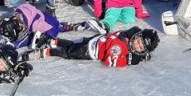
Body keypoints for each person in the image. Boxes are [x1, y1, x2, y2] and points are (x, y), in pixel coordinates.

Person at [26, 26, 159, 68]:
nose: (137, 45)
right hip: (90, 50)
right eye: (139, 41)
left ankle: (51, 41)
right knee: (68, 53)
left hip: (96, 41)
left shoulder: (126, 35)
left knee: (72, 44)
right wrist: (131, 60)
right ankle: (46, 52)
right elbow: (110, 62)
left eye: (141, 47)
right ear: (136, 36)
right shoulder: (119, 46)